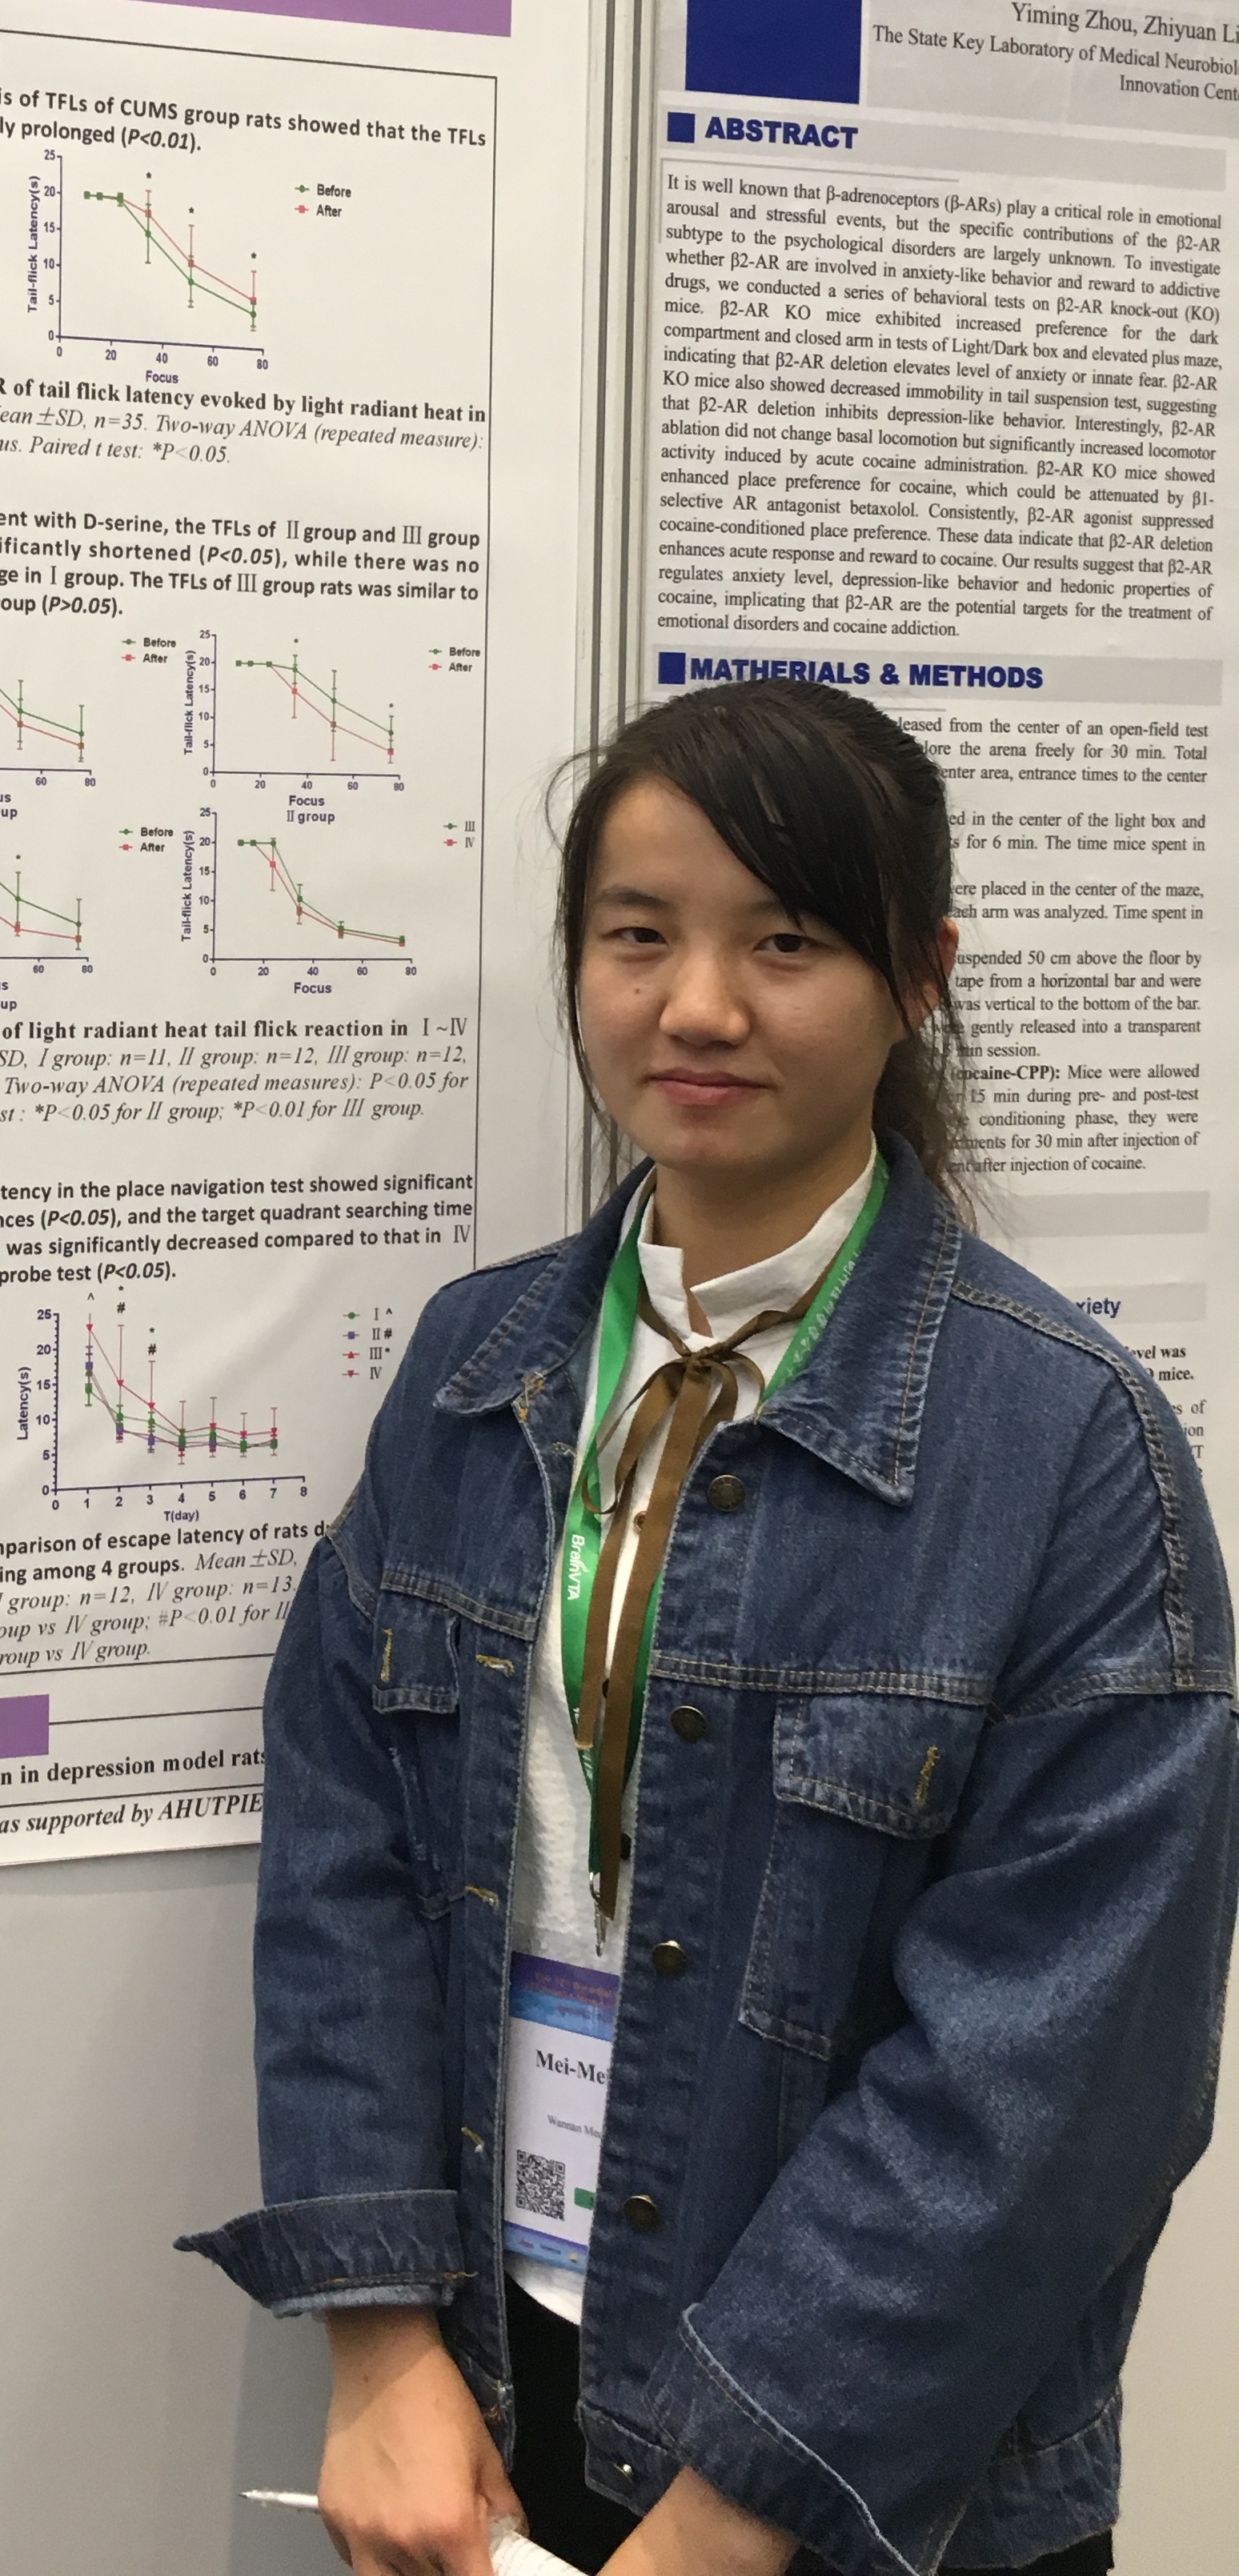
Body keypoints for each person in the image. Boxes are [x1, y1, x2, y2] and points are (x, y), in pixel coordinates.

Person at [182, 679, 1237, 2576]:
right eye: (638, 935)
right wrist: (379, 2340)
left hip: (879, 2475)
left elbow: (1059, 2075)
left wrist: (739, 2511)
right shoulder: (479, 1364)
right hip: (498, 2393)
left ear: (920, 979)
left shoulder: (1069, 1449)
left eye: (788, 941)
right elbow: (345, 1846)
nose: (699, 1006)